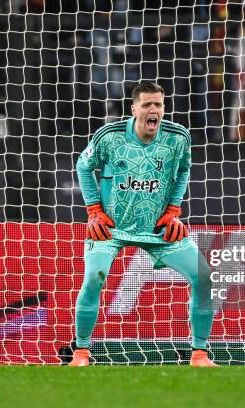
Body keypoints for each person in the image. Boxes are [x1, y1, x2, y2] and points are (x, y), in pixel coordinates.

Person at [70, 82, 216, 367]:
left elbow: (184, 169)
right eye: (147, 104)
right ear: (134, 109)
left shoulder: (178, 137)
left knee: (204, 276)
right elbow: (83, 166)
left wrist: (173, 209)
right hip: (110, 228)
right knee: (93, 279)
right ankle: (81, 353)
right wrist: (94, 211)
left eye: (158, 105)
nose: (153, 110)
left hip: (158, 229)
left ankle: (199, 354)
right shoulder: (110, 136)